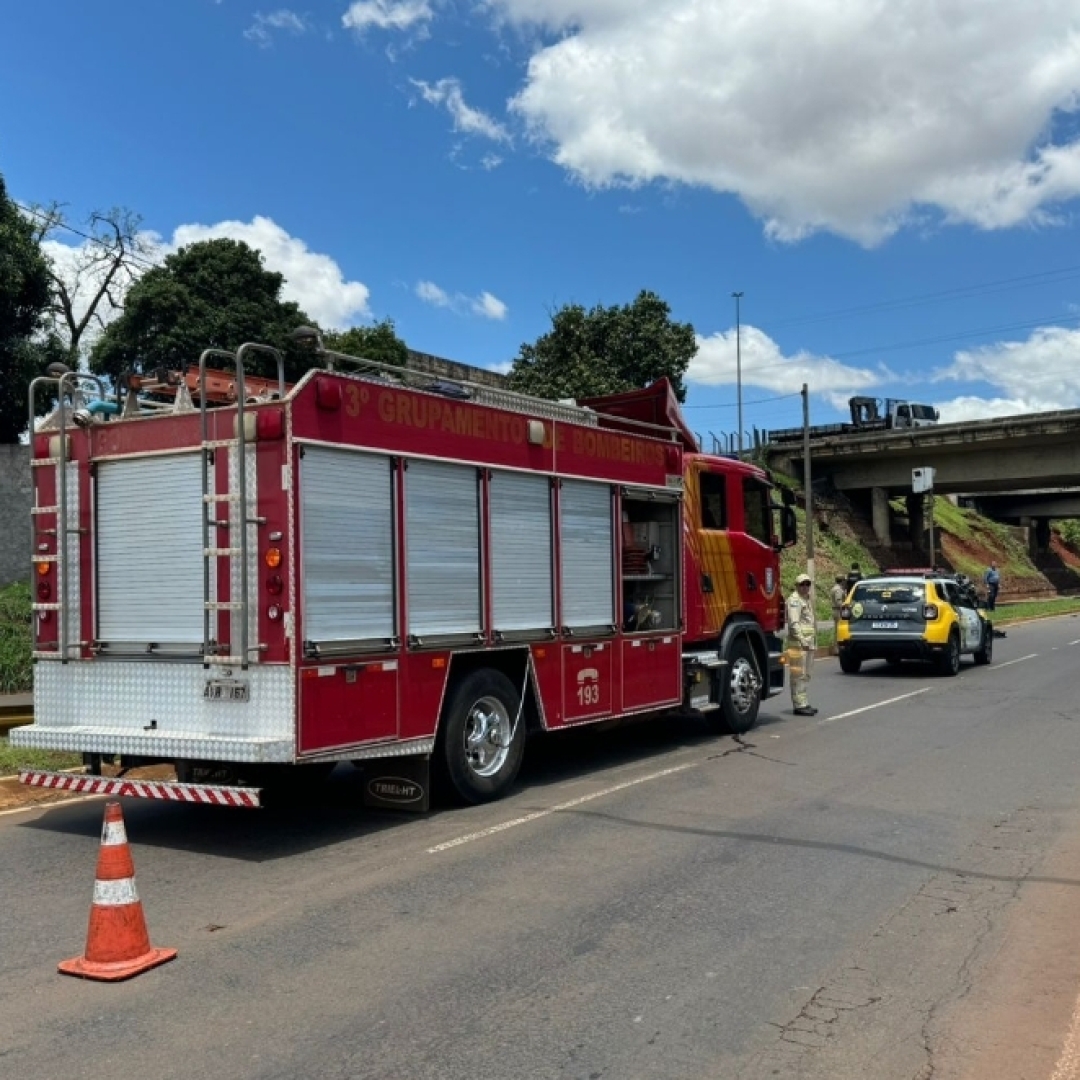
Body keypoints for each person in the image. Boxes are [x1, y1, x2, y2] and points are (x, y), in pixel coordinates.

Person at [786, 573, 817, 716]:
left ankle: (804, 702)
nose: (805, 587)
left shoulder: (806, 599)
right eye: (802, 584)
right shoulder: (795, 601)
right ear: (796, 586)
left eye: (807, 584)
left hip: (808, 644)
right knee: (798, 674)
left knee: (806, 674)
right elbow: (794, 624)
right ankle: (799, 705)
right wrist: (803, 641)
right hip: (799, 644)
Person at [830, 575, 847, 655]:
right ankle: (837, 649)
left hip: (835, 610)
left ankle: (837, 648)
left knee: (837, 630)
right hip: (838, 611)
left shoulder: (835, 588)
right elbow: (839, 601)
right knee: (839, 631)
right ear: (842, 581)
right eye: (844, 580)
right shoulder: (838, 590)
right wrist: (844, 607)